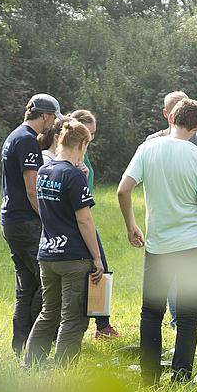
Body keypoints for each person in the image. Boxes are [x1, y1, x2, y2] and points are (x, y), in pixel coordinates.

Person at [117, 99, 197, 384]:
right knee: (188, 317)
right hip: (193, 246)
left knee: (151, 313)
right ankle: (181, 378)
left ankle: (149, 378)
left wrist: (131, 225)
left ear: (171, 118)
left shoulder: (147, 148)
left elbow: (123, 190)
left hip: (158, 247)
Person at [24, 120, 104, 366]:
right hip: (73, 257)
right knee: (73, 317)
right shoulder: (72, 176)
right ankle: (63, 369)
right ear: (82, 143)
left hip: (47, 255)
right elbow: (84, 221)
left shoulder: (45, 171)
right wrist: (98, 257)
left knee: (49, 312)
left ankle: (31, 363)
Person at [146, 91, 197, 331]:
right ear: (168, 115)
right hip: (167, 222)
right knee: (172, 276)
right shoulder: (152, 141)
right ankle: (177, 320)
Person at [1, 93, 63, 356]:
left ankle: (19, 345)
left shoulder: (13, 135)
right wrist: (49, 219)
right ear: (46, 116)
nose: (52, 125)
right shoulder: (27, 140)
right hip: (26, 222)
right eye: (53, 119)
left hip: (10, 220)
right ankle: (36, 347)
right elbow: (31, 189)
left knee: (26, 286)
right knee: (45, 283)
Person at [69, 110, 119, 340]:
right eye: (87, 134)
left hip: (85, 214)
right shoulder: (72, 157)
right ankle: (101, 325)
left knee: (100, 269)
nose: (89, 140)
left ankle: (101, 324)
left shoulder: (84, 155)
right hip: (76, 220)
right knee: (99, 267)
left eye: (93, 135)